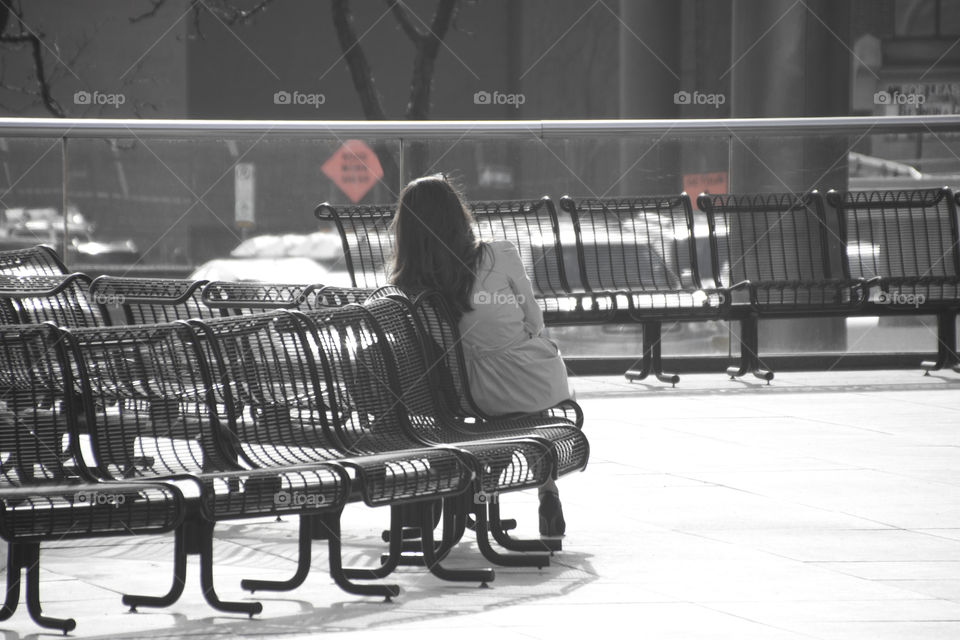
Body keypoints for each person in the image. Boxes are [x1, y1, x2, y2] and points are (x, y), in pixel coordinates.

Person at [388, 174, 572, 536]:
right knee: (525, 399)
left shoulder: (406, 284)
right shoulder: (498, 254)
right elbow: (535, 321)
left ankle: (479, 483)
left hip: (458, 395)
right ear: (459, 215)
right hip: (528, 383)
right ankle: (546, 489)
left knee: (500, 408)